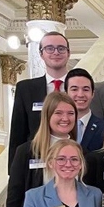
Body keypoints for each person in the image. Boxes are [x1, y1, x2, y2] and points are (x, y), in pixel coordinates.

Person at [8, 31, 71, 169]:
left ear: (68, 53)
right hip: (36, 164)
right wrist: (14, 172)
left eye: (61, 48)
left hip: (72, 162)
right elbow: (17, 135)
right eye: (49, 48)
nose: (56, 52)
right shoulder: (25, 89)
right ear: (41, 54)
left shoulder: (80, 89)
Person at [64, 68, 104, 153]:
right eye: (74, 89)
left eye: (86, 89)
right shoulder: (57, 126)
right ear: (66, 93)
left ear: (93, 93)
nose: (80, 95)